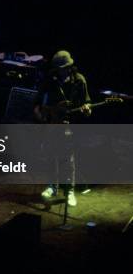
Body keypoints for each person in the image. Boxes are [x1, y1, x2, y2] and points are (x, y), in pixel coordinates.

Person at [33, 50, 92, 207]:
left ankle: (70, 191)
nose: (63, 71)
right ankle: (52, 187)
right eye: (60, 69)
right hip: (52, 125)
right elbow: (38, 104)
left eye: (65, 68)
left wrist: (87, 110)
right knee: (51, 157)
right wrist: (42, 116)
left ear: (69, 67)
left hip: (70, 125)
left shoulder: (79, 81)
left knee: (68, 160)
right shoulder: (50, 81)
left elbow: (87, 105)